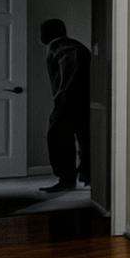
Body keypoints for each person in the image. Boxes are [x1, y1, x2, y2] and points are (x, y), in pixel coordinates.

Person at [39, 18, 91, 194]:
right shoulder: (73, 45)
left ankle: (66, 179)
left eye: (43, 31)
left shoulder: (60, 46)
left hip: (69, 100)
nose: (41, 35)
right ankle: (85, 175)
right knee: (84, 139)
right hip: (85, 100)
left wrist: (62, 96)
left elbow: (70, 68)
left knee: (58, 137)